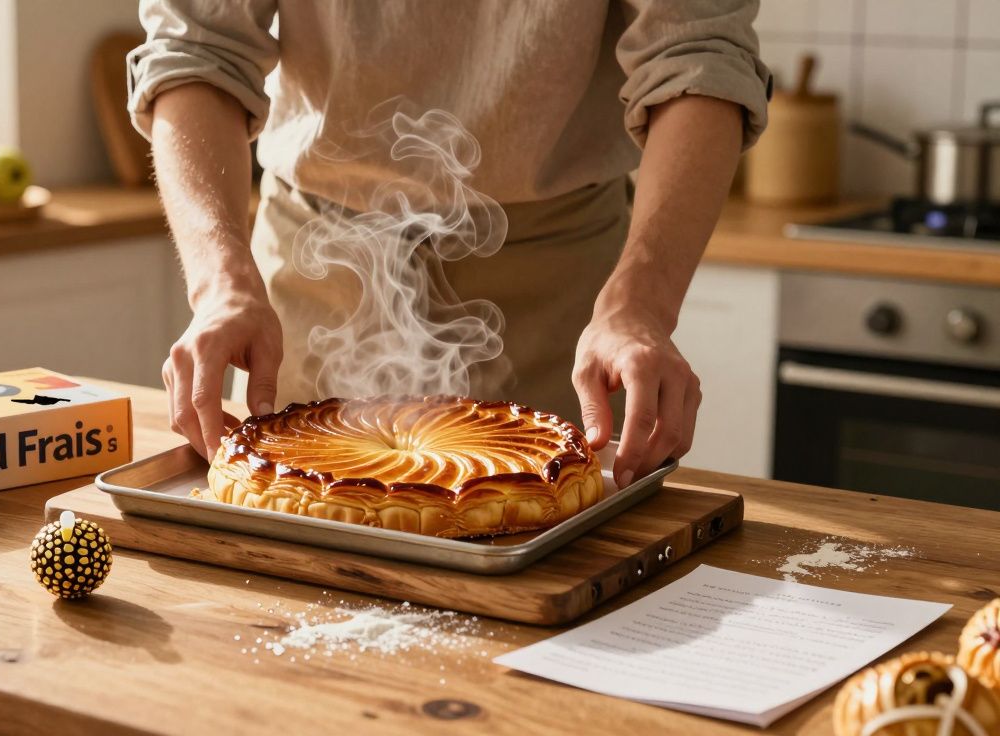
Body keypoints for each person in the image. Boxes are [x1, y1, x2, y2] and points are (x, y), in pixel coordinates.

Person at [128, 1, 771, 487]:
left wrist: (643, 306)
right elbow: (196, 52)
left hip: (561, 287)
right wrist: (220, 286)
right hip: (315, 266)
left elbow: (700, 56)